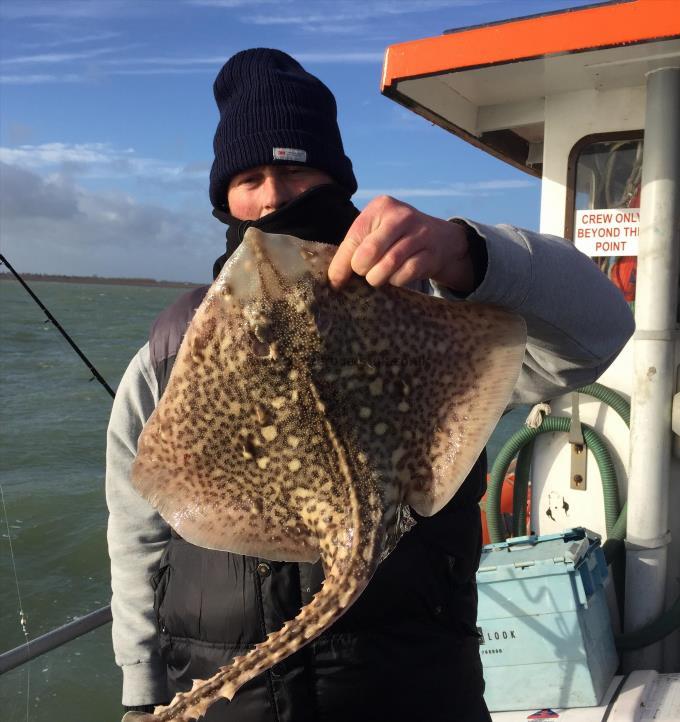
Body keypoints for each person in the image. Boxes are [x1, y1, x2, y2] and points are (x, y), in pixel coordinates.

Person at [107, 49, 634, 722]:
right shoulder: (175, 347)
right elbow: (138, 534)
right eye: (249, 179)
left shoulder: (430, 317)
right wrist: (141, 693)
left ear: (336, 175)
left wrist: (468, 253)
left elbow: (598, 332)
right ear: (224, 200)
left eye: (294, 167)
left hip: (406, 693)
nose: (272, 197)